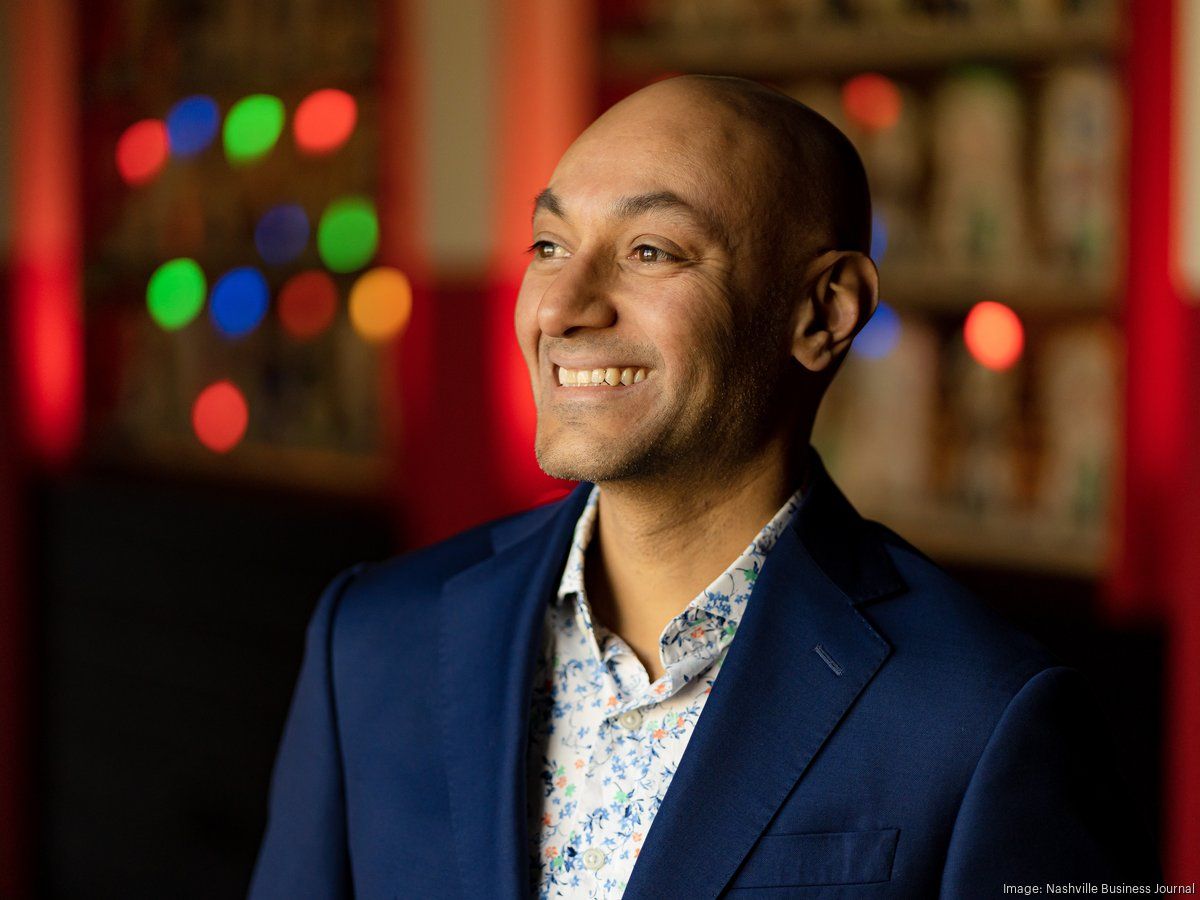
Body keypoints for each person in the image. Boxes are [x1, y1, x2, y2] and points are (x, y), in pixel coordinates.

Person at [249, 75, 1162, 899]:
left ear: (823, 312)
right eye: (549, 243)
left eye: (650, 251)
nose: (563, 308)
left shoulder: (980, 714)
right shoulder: (373, 641)